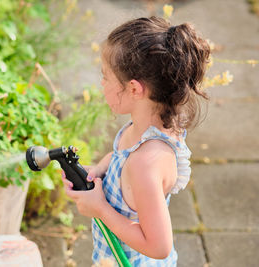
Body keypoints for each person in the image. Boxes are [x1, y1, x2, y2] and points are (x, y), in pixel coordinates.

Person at [62, 16, 210, 266]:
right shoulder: (146, 128)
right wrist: (100, 168)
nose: (101, 84)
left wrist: (100, 210)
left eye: (106, 77)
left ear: (134, 89)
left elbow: (159, 246)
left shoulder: (146, 162)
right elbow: (121, 158)